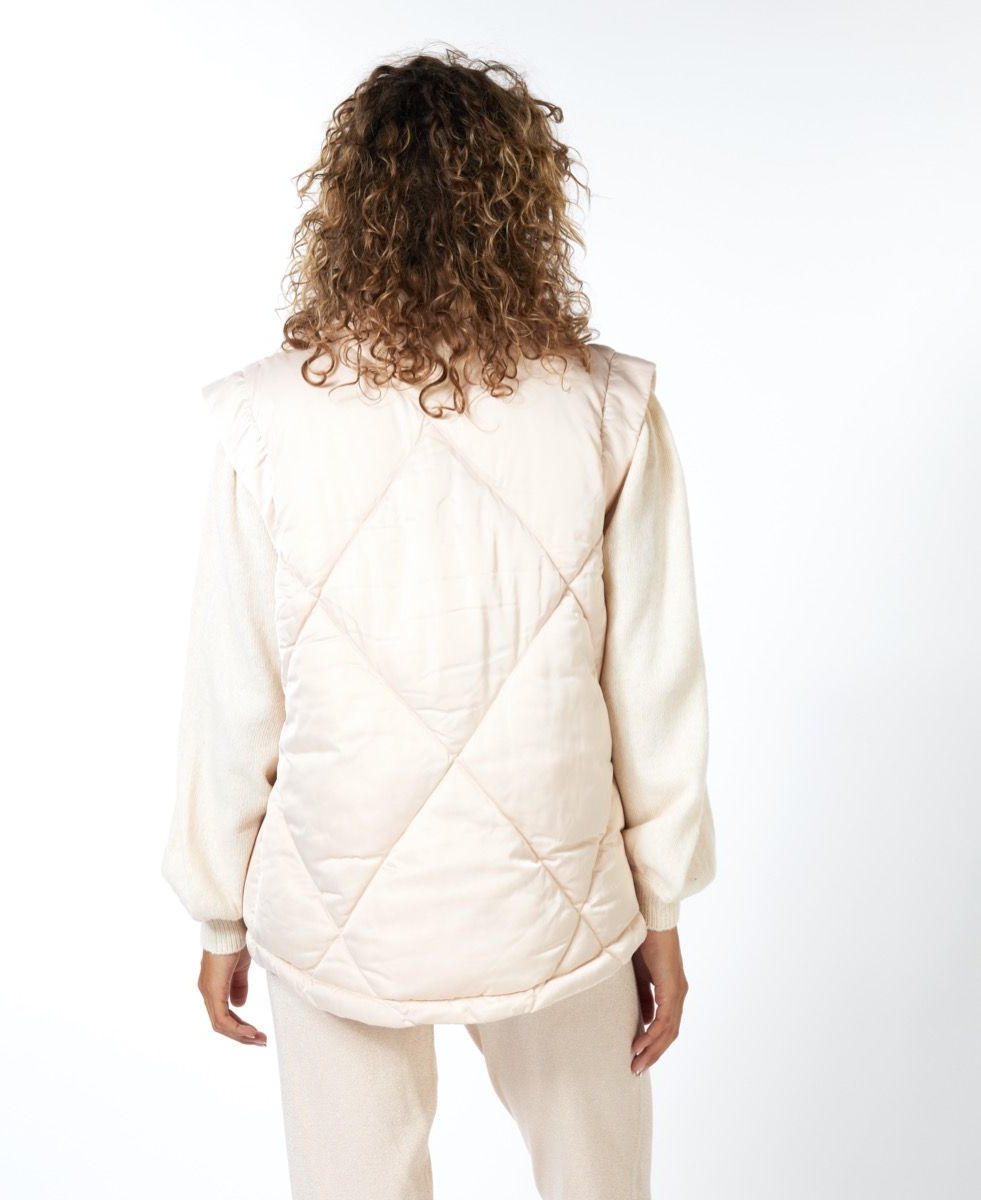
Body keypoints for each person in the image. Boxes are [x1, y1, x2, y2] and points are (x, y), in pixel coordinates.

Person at [161, 46, 716, 1200]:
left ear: (346, 207)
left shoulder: (266, 418)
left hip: (336, 893)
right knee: (598, 1183)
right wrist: (659, 908)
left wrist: (219, 913)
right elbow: (654, 686)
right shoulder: (608, 409)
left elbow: (232, 690)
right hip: (556, 890)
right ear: (527, 205)